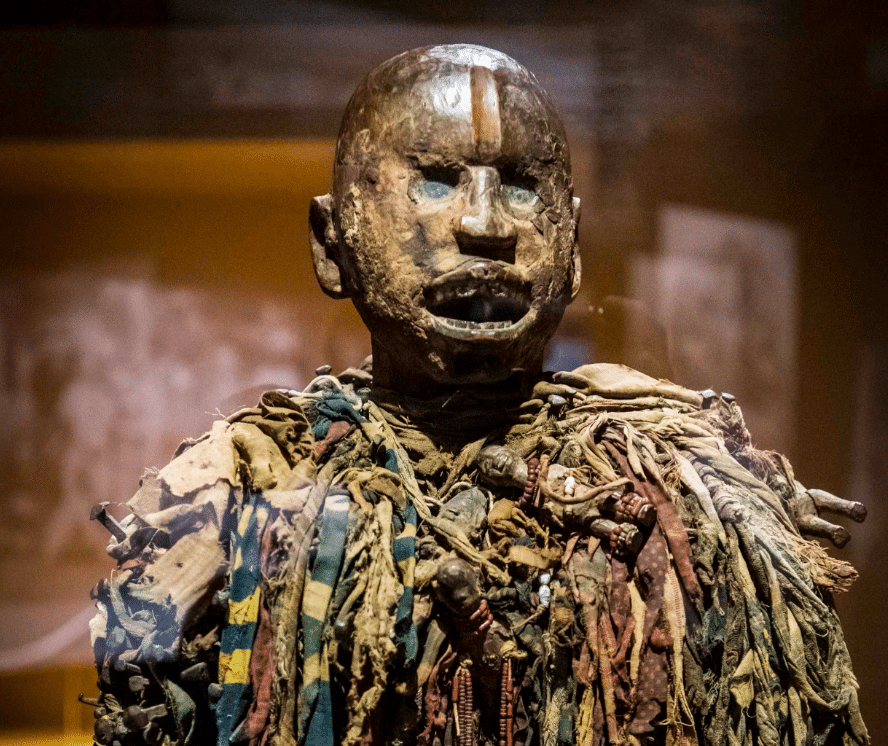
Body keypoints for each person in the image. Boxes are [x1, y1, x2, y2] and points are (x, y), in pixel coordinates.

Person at [87, 45, 868, 746]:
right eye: (433, 181)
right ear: (332, 244)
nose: (485, 224)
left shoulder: (689, 490)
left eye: (522, 187)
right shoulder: (237, 490)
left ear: (573, 248)